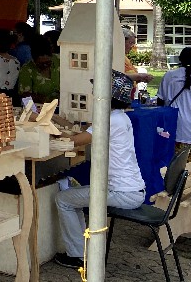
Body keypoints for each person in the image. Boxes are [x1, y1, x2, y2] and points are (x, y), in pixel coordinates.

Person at [54, 70, 145, 269]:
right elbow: (84, 131)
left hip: (123, 193)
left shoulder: (110, 120)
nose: (94, 94)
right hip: (130, 189)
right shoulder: (119, 117)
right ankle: (80, 251)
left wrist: (51, 137)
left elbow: (76, 141)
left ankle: (78, 255)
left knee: (64, 200)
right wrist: (61, 125)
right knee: (70, 197)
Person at [157, 47, 191, 151]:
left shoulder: (170, 75)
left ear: (180, 59)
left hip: (174, 125)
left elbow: (160, 100)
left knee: (176, 161)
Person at [17, 39, 61, 104]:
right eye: (41, 63)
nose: (45, 65)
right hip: (40, 108)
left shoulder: (60, 60)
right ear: (34, 59)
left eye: (48, 62)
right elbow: (25, 96)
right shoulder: (27, 69)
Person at [122, 27, 153, 96]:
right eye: (131, 43)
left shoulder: (124, 57)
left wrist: (140, 79)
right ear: (122, 41)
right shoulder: (117, 57)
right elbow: (120, 76)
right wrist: (139, 76)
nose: (132, 46)